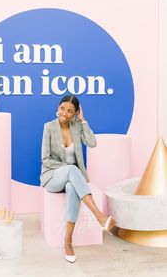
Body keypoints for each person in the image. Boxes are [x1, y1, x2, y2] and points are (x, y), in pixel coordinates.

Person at [40, 95, 116, 263]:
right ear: (58, 107)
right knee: (72, 170)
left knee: (73, 188)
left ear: (75, 113)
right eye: (63, 108)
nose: (65, 113)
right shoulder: (49, 127)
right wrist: (67, 169)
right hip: (52, 177)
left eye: (70, 111)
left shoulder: (76, 126)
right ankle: (99, 216)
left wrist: (83, 121)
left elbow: (92, 142)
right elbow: (45, 159)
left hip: (72, 179)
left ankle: (68, 241)